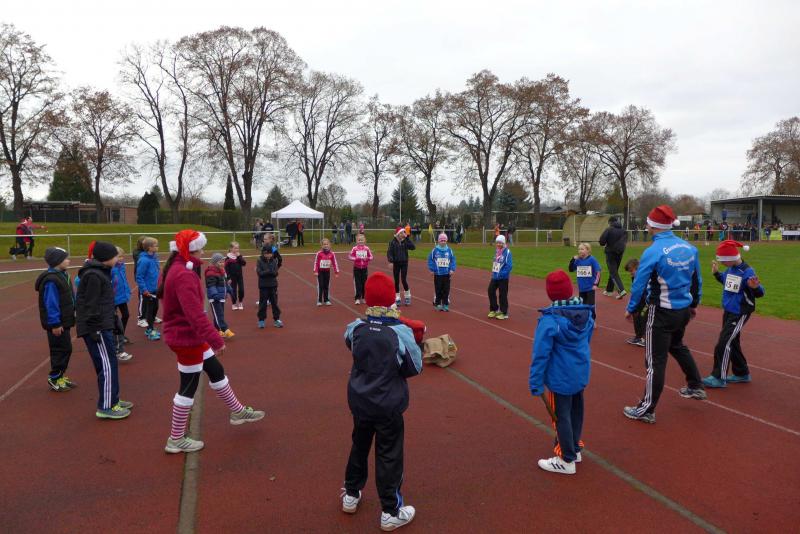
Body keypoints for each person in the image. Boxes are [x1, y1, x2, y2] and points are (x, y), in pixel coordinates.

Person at [158, 230, 264, 453]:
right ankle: (175, 438)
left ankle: (237, 411)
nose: (204, 251)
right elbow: (194, 314)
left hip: (189, 336)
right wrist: (216, 339)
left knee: (216, 370)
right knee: (188, 387)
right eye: (200, 248)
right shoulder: (183, 274)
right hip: (186, 338)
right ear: (190, 250)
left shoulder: (176, 268)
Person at [341, 272, 421, 530]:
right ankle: (390, 510)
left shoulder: (356, 327)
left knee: (359, 445)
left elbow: (350, 343)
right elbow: (414, 366)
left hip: (360, 400)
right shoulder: (400, 332)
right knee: (389, 454)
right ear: (391, 300)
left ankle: (351, 493)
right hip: (388, 404)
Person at [623, 205, 706, 425]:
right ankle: (695, 385)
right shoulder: (689, 248)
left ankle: (646, 409)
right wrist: (694, 304)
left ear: (652, 225)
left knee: (655, 362)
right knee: (677, 346)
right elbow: (697, 279)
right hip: (682, 310)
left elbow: (639, 284)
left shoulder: (653, 251)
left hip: (661, 312)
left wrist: (631, 308)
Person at [529, 270, 594, 475]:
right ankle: (573, 448)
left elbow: (540, 354)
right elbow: (586, 341)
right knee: (576, 412)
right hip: (580, 373)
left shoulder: (549, 321)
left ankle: (566, 459)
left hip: (560, 378)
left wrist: (535, 381)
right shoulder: (586, 315)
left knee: (560, 417)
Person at [76, 241, 134, 420]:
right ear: (106, 258)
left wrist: (114, 321)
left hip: (103, 324)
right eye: (115, 256)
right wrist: (95, 327)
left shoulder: (102, 272)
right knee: (107, 366)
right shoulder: (94, 275)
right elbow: (90, 304)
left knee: (110, 364)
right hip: (97, 327)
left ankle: (112, 399)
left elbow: (105, 302)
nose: (118, 259)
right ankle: (106, 406)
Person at [702, 241, 765, 388]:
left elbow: (760, 292)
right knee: (733, 341)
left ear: (731, 258)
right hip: (729, 310)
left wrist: (754, 288)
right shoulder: (730, 269)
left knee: (723, 343)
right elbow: (727, 282)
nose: (722, 263)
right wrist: (717, 274)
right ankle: (742, 373)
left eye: (723, 261)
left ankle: (719, 377)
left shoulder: (747, 271)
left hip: (740, 312)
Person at [36, 247, 77, 392]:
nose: (69, 260)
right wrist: (55, 323)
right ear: (57, 261)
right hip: (57, 323)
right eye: (66, 258)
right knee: (60, 349)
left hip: (64, 320)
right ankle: (54, 377)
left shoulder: (62, 275)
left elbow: (69, 297)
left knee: (66, 348)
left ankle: (60, 376)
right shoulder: (52, 280)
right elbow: (51, 304)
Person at [136, 237, 161, 341]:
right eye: (156, 245)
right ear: (149, 248)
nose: (158, 247)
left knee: (156, 308)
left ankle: (150, 327)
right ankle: (150, 330)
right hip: (148, 291)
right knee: (150, 311)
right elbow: (139, 277)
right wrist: (144, 290)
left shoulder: (154, 258)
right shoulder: (144, 260)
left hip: (155, 289)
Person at [111, 247, 133, 361]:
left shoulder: (121, 266)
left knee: (126, 315)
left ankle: (121, 334)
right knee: (114, 321)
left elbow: (124, 280)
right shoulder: (110, 269)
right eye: (119, 256)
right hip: (113, 298)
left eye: (122, 256)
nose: (121, 258)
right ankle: (115, 339)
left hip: (122, 296)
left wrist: (127, 290)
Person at [568, 243, 601, 320]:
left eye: (582, 249)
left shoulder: (592, 259)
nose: (580, 251)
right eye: (579, 249)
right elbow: (571, 269)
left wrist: (595, 284)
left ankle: (592, 320)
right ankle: (585, 320)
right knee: (582, 306)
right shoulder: (578, 260)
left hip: (590, 287)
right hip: (581, 287)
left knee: (591, 305)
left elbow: (598, 272)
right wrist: (573, 259)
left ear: (588, 250)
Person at [206, 253, 235, 338]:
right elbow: (211, 285)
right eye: (220, 262)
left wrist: (230, 290)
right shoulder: (211, 273)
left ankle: (218, 330)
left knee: (218, 314)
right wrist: (215, 294)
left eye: (223, 262)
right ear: (215, 263)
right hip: (214, 298)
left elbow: (225, 283)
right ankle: (225, 329)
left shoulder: (222, 271)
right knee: (219, 315)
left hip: (221, 297)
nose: (222, 264)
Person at [387, 227, 416, 306]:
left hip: (404, 263)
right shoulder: (392, 242)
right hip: (396, 263)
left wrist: (407, 238)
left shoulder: (405, 241)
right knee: (396, 281)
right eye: (402, 232)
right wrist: (391, 261)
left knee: (403, 280)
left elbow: (413, 247)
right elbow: (389, 252)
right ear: (398, 234)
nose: (403, 234)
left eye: (404, 232)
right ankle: (397, 297)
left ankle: (407, 296)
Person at [599, 217, 627, 299]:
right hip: (620, 254)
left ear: (610, 222)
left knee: (613, 273)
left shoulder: (609, 229)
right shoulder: (624, 231)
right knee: (613, 272)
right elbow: (623, 243)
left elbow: (602, 241)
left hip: (610, 253)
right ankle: (609, 290)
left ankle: (621, 290)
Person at [427, 233, 456, 311]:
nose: (443, 242)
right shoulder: (434, 250)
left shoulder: (449, 250)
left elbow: (453, 260)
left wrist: (452, 269)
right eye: (441, 240)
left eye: (444, 240)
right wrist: (432, 269)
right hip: (438, 274)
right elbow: (430, 260)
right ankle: (438, 304)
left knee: (446, 290)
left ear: (446, 241)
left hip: (447, 274)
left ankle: (445, 304)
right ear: (438, 241)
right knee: (438, 289)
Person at [256, 245, 283, 328]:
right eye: (266, 253)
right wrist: (268, 271)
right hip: (263, 286)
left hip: (273, 285)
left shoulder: (274, 261)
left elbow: (276, 273)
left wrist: (269, 272)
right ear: (263, 253)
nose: (268, 255)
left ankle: (276, 319)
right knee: (263, 303)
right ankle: (261, 320)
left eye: (270, 253)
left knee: (274, 303)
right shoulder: (259, 261)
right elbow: (260, 273)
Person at [487, 235, 513, 320]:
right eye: (497, 242)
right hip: (495, 277)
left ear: (504, 243)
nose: (498, 244)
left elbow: (509, 266)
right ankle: (494, 309)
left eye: (500, 243)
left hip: (503, 278)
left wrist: (502, 273)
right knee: (490, 291)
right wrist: (494, 272)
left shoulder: (507, 252)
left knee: (503, 295)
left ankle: (504, 312)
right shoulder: (497, 251)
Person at [623, 258, 646, 348]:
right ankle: (638, 336)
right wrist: (630, 309)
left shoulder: (642, 276)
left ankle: (645, 338)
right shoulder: (635, 277)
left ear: (637, 268)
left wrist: (629, 309)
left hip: (648, 300)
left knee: (643, 316)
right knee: (635, 315)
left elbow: (637, 292)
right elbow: (634, 293)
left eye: (631, 271)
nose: (630, 273)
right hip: (640, 299)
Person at [348, 233, 374, 305]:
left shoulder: (367, 248)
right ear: (356, 241)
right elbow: (349, 256)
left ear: (365, 240)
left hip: (364, 268)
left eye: (362, 240)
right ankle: (357, 298)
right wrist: (356, 258)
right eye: (359, 240)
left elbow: (371, 257)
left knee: (364, 283)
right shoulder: (354, 248)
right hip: (357, 268)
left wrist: (367, 258)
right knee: (357, 283)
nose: (360, 241)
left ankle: (363, 297)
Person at [314, 238, 340, 306]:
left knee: (326, 285)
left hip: (327, 272)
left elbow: (334, 263)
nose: (326, 245)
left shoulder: (332, 254)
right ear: (321, 245)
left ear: (329, 245)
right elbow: (316, 263)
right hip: (320, 272)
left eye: (327, 244)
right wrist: (315, 271)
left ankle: (326, 300)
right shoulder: (319, 253)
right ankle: (319, 300)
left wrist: (336, 272)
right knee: (321, 285)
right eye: (324, 244)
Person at [225, 242, 247, 310]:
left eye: (238, 248)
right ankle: (234, 304)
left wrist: (239, 256)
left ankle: (240, 302)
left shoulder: (239, 256)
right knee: (233, 291)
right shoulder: (228, 258)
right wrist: (228, 278)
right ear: (231, 249)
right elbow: (226, 269)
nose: (237, 249)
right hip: (232, 278)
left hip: (239, 276)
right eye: (235, 248)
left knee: (241, 290)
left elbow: (244, 263)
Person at [132, 236, 147, 327]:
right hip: (141, 277)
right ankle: (141, 318)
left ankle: (150, 316)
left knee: (151, 298)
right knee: (142, 297)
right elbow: (141, 259)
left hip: (149, 277)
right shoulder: (137, 253)